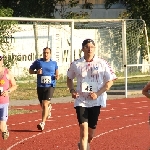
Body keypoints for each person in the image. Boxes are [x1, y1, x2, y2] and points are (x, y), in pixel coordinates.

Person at [67, 39, 117, 150]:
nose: (90, 49)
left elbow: (110, 81)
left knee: (90, 134)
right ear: (82, 49)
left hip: (96, 101)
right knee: (83, 131)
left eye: (92, 47)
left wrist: (97, 93)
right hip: (81, 100)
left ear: (95, 48)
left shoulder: (102, 63)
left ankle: (84, 144)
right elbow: (69, 78)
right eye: (87, 47)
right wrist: (72, 90)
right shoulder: (76, 64)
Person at [29, 47, 59, 131]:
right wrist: (36, 72)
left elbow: (57, 73)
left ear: (50, 54)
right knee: (42, 105)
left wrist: (57, 76)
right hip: (40, 86)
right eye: (44, 53)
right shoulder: (38, 62)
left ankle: (42, 123)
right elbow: (30, 70)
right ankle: (48, 109)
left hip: (50, 85)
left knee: (45, 104)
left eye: (47, 53)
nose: (46, 54)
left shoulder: (54, 63)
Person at [0, 52, 17, 140]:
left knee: (2, 127)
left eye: (0, 59)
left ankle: (5, 130)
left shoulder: (7, 72)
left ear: (2, 59)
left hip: (3, 103)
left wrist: (8, 91)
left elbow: (14, 85)